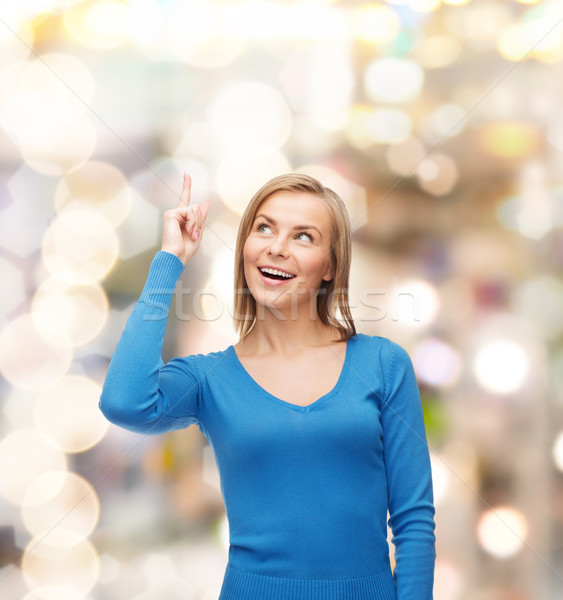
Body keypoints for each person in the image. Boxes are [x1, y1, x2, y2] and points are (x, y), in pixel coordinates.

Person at [99, 172, 436, 600]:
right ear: (244, 248)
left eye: (304, 237)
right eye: (265, 228)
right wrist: (170, 261)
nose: (277, 246)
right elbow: (124, 402)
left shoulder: (384, 364)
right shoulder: (210, 379)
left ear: (331, 266)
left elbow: (413, 521)